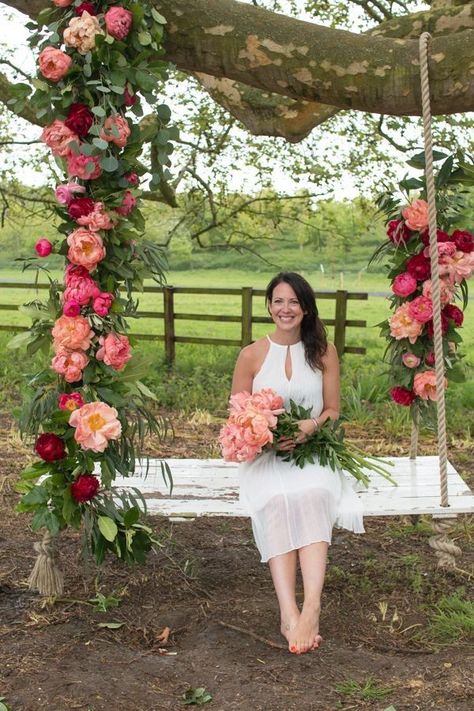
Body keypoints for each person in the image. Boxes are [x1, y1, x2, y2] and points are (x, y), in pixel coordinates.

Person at [231, 272, 364, 655]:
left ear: (305, 308)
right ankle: (288, 611)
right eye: (278, 301)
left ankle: (313, 606)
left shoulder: (323, 352)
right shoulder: (251, 355)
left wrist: (311, 426)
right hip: (267, 456)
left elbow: (334, 410)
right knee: (275, 499)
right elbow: (238, 414)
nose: (285, 309)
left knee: (316, 492)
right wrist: (263, 434)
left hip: (314, 450)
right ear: (269, 306)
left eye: (293, 302)